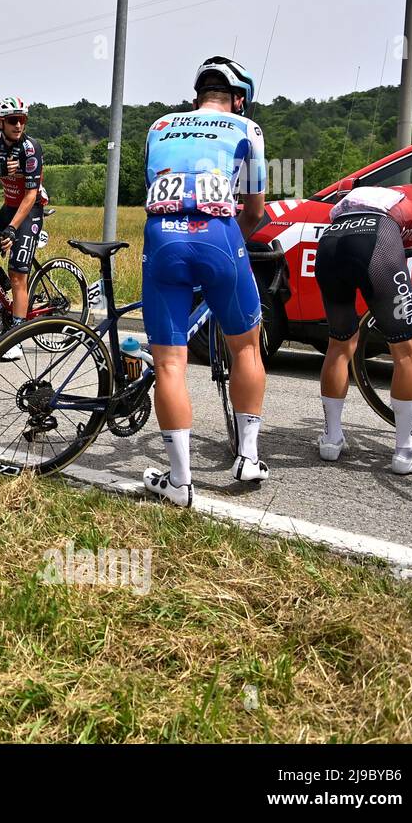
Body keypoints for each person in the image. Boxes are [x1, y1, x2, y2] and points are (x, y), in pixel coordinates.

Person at [140, 56, 269, 507]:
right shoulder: (246, 130)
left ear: (198, 95)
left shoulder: (159, 125)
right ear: (238, 99)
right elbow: (254, 210)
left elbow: (153, 188)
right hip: (219, 235)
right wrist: (232, 247)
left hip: (162, 238)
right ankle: (248, 457)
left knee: (169, 364)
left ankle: (179, 482)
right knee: (246, 347)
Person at [313, 175, 412, 474]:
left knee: (339, 344)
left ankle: (331, 440)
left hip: (332, 239)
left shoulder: (395, 195)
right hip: (376, 235)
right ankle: (406, 453)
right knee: (405, 352)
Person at [0, 96, 47, 338]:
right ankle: (2, 312)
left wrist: (13, 229)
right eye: (13, 120)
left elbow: (30, 195)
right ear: (0, 123)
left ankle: (16, 335)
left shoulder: (30, 149)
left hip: (29, 210)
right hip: (8, 207)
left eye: (22, 120)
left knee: (16, 274)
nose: (18, 125)